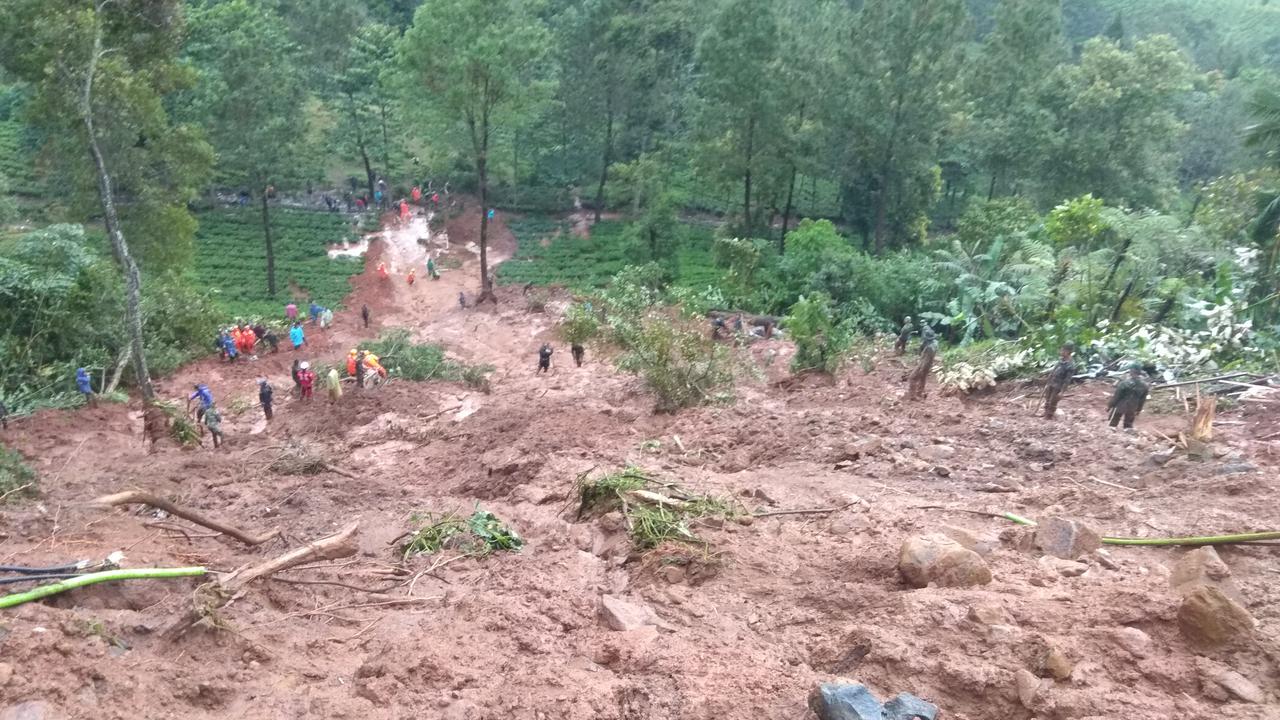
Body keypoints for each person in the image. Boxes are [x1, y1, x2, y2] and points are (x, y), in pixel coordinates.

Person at [1108, 362, 1150, 430]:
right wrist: (1139, 409)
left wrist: (1110, 405)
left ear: (1131, 371)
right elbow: (1142, 400)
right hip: (1133, 407)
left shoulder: (1124, 383)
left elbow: (1117, 396)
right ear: (1140, 372)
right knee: (1128, 423)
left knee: (1115, 419)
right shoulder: (1145, 386)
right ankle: (1127, 429)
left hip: (1121, 406)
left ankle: (1113, 427)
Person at [1042, 343, 1077, 419]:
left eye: (1062, 350)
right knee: (1047, 399)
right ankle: (1045, 413)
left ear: (1067, 352)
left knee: (1053, 401)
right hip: (1052, 382)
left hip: (1058, 386)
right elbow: (1054, 370)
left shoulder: (1070, 365)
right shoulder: (1061, 360)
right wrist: (1048, 380)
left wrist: (1062, 391)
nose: (1061, 352)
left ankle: (1049, 416)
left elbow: (1067, 380)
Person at [906, 326, 937, 400]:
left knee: (912, 378)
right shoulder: (935, 344)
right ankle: (920, 393)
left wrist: (921, 368)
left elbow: (925, 360)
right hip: (928, 365)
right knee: (923, 379)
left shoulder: (929, 348)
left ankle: (913, 396)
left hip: (923, 365)